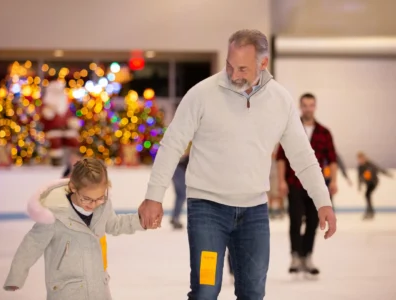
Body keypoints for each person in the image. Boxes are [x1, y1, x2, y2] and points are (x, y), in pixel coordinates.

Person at [138, 30, 336, 300]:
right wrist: (153, 196)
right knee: (206, 291)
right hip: (207, 209)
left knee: (253, 292)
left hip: (253, 213)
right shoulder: (201, 95)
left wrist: (322, 200)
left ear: (263, 64)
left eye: (243, 68)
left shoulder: (280, 101)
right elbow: (171, 145)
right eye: (230, 65)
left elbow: (302, 155)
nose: (234, 74)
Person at [3, 158, 147, 300]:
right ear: (73, 188)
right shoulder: (54, 214)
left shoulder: (103, 207)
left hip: (98, 288)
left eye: (99, 198)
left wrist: (141, 221)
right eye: (87, 198)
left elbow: (115, 224)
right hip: (66, 290)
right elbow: (31, 245)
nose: (93, 204)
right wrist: (16, 277)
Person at [276, 93, 338, 276]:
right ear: (300, 106)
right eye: (305, 105)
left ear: (315, 107)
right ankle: (295, 256)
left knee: (313, 222)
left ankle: (307, 256)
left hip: (317, 186)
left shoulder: (324, 133)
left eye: (311, 105)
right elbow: (281, 158)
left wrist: (334, 180)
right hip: (294, 184)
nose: (308, 108)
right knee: (295, 220)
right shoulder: (291, 129)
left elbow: (332, 159)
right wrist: (281, 181)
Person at [357, 151, 393, 219]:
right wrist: (359, 186)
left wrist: (388, 174)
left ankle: (370, 212)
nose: (360, 160)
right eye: (359, 159)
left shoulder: (370, 164)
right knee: (367, 195)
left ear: (364, 158)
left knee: (367, 195)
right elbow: (359, 177)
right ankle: (370, 211)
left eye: (361, 158)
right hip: (368, 183)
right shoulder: (360, 167)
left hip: (374, 182)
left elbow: (379, 169)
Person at [170, 146, 190, 229]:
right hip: (179, 170)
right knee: (181, 195)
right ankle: (175, 218)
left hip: (177, 170)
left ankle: (175, 217)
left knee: (180, 196)